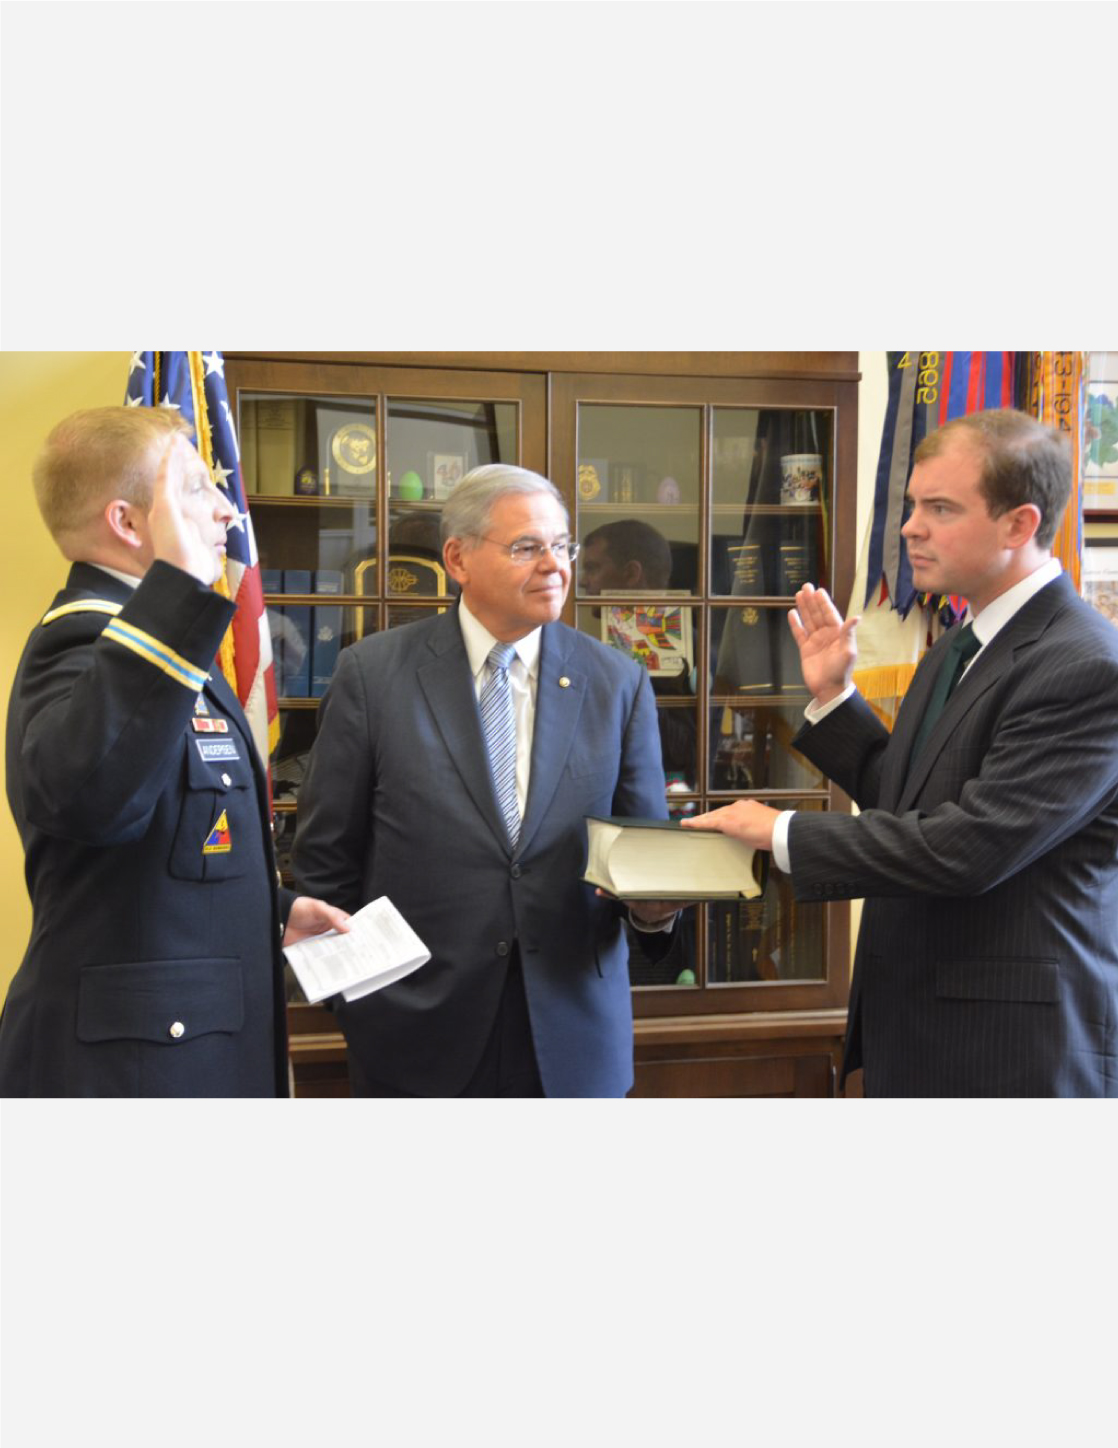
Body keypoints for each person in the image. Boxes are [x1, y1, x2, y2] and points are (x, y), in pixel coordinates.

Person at [683, 408, 1118, 1097]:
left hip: (1012, 1054)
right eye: (912, 505)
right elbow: (909, 799)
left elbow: (968, 847)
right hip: (920, 1028)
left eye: (940, 508)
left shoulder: (1087, 665)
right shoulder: (960, 643)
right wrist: (834, 698)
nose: (910, 527)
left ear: (1019, 525)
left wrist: (782, 831)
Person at [291, 463, 677, 1097]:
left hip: (571, 1039)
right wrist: (359, 1005)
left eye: (561, 546)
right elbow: (325, 865)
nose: (554, 566)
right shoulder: (373, 676)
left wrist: (655, 913)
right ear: (458, 559)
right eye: (526, 547)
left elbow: (646, 854)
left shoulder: (617, 682)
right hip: (413, 1037)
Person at [0, 407, 348, 1097]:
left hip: (188, 1053)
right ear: (129, 523)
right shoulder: (87, 640)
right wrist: (176, 593)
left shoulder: (157, 644)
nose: (227, 511)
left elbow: (168, 848)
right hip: (130, 1074)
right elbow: (91, 801)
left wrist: (275, 912)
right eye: (196, 488)